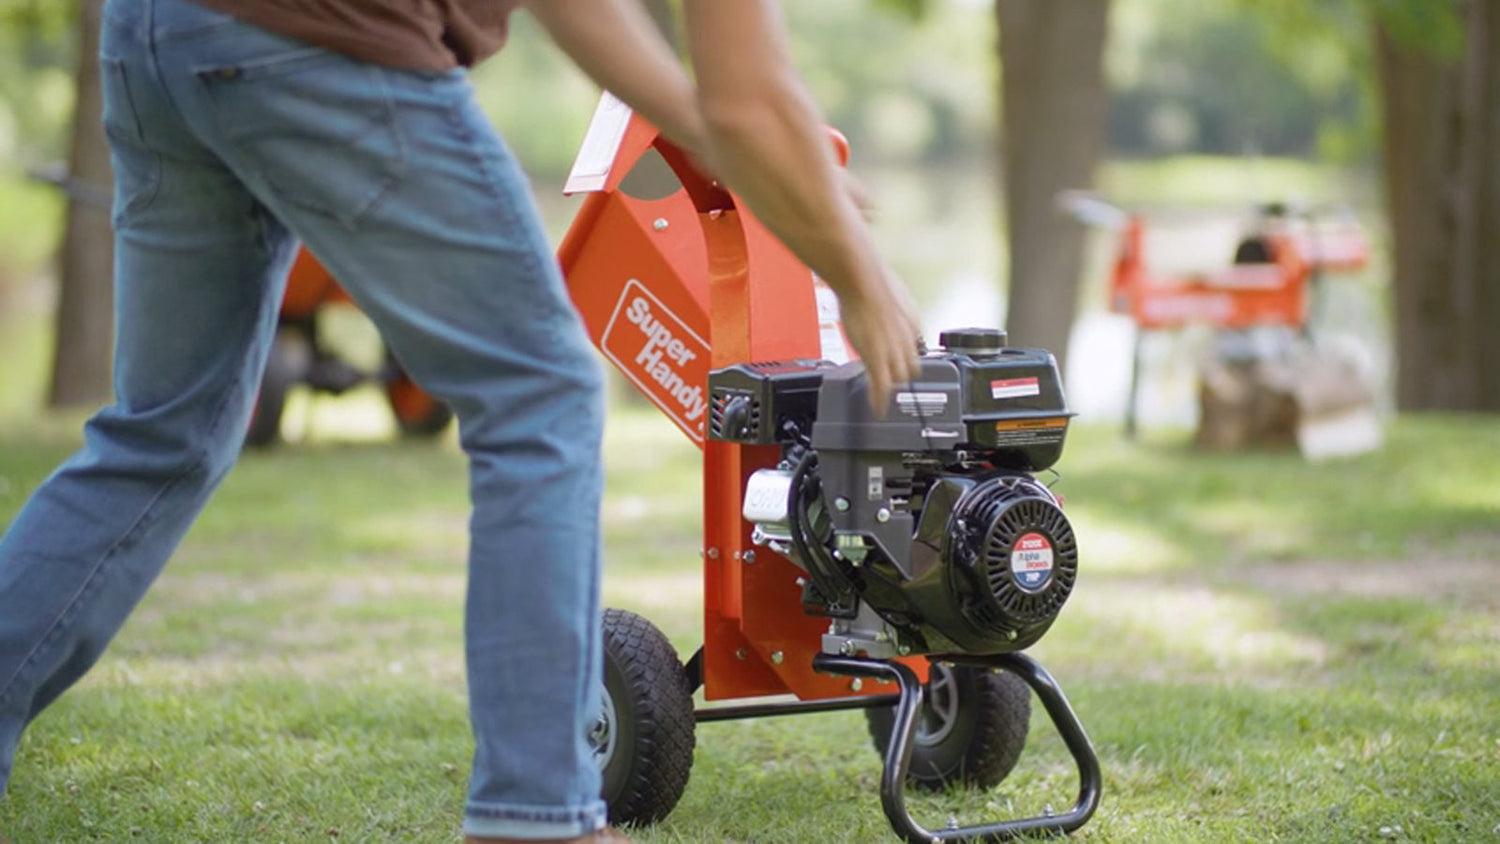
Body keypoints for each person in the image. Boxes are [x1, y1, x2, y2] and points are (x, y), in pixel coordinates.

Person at [0, 0, 922, 842]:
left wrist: (709, 134)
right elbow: (750, 98)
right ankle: (537, 816)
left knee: (160, 434)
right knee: (541, 395)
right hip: (326, 45)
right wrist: (863, 278)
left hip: (155, 33)